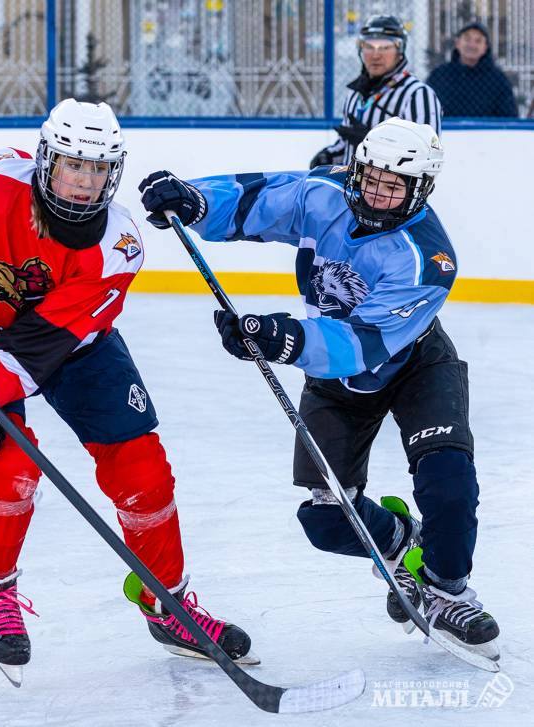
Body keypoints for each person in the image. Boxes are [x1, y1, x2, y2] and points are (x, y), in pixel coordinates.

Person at [0, 99, 256, 685]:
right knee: (8, 458)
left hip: (74, 346)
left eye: (97, 170)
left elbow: (33, 346)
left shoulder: (117, 245)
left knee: (142, 470)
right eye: (73, 166)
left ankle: (166, 602)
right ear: (46, 160)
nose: (83, 182)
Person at [139, 117, 500, 662]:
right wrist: (192, 200)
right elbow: (255, 201)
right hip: (335, 382)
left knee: (448, 479)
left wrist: (282, 338)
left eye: (393, 186)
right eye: (370, 178)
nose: (376, 194)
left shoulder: (427, 258)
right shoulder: (325, 191)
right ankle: (406, 544)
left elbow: (363, 343)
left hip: (416, 364)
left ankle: (448, 590)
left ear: (419, 188)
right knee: (326, 521)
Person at [311, 15, 442, 169]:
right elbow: (346, 145)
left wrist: (373, 143)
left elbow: (426, 154)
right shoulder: (355, 93)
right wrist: (329, 155)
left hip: (390, 190)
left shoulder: (418, 95)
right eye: (369, 46)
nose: (375, 55)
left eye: (385, 47)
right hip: (350, 187)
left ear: (400, 50)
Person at [427, 22, 516, 118]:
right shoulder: (439, 76)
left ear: (485, 47)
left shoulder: (498, 80)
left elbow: (509, 117)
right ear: (457, 43)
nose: (472, 45)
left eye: (478, 41)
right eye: (467, 39)